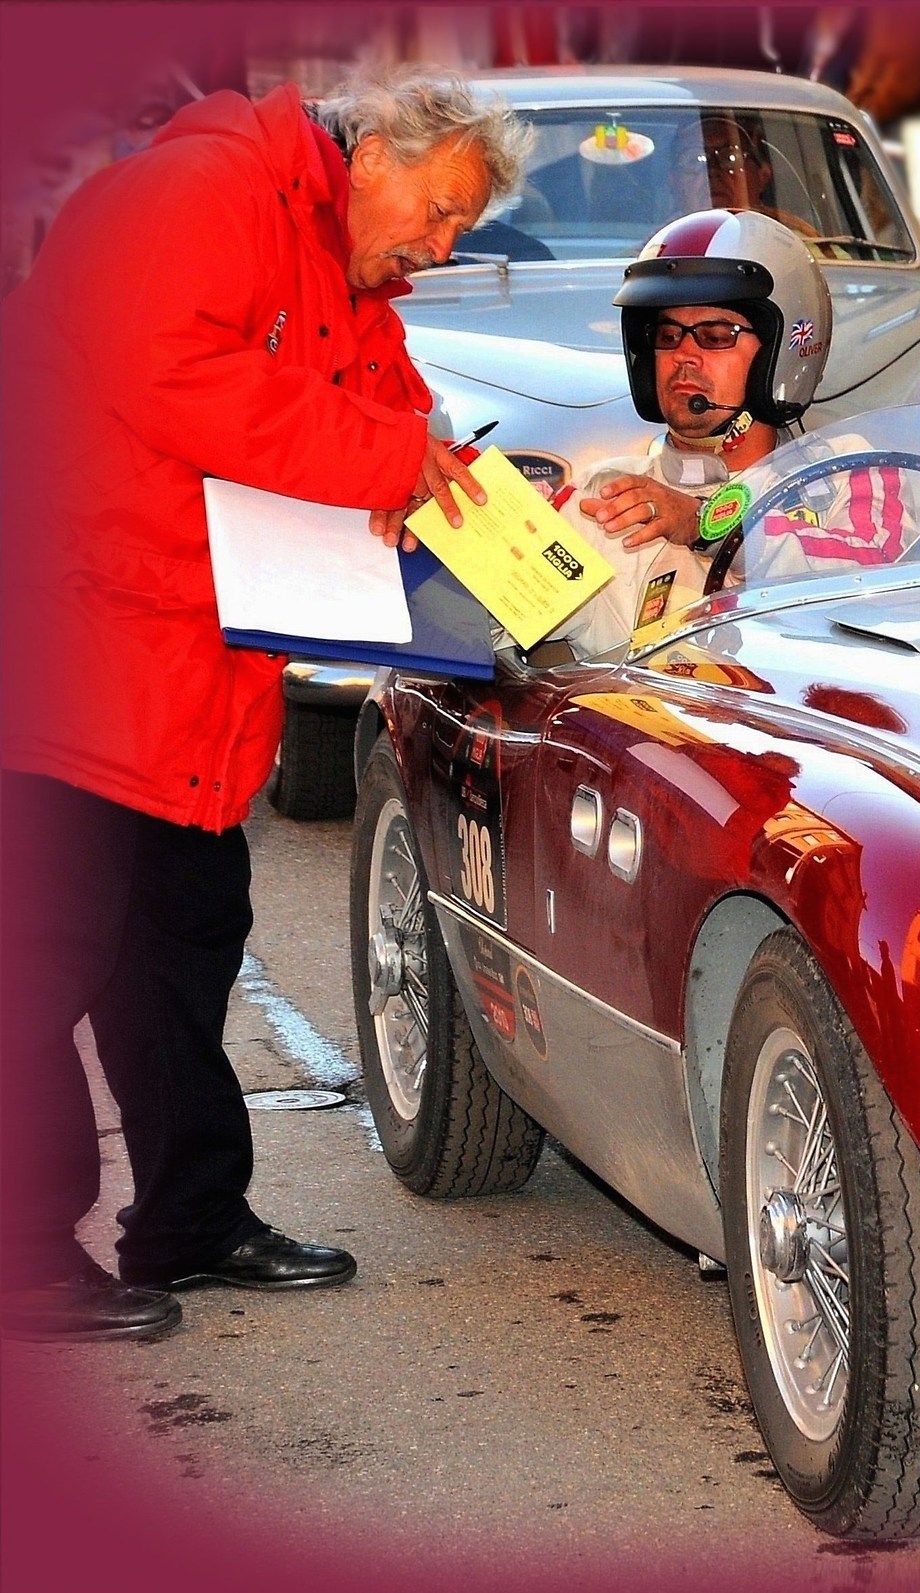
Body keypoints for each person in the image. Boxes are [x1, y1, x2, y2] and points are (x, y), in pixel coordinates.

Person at [0, 66, 530, 1342]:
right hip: (79, 647)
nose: (441, 246)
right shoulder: (203, 191)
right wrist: (396, 461)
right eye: (444, 211)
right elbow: (175, 374)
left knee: (182, 943)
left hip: (181, 669)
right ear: (379, 152)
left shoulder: (338, 260)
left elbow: (406, 423)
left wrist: (529, 538)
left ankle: (189, 1220)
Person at [551, 207, 838, 654]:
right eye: (668, 336)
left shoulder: (841, 477)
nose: (684, 354)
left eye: (716, 334)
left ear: (780, 353)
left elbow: (862, 582)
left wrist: (704, 526)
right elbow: (498, 643)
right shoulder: (602, 495)